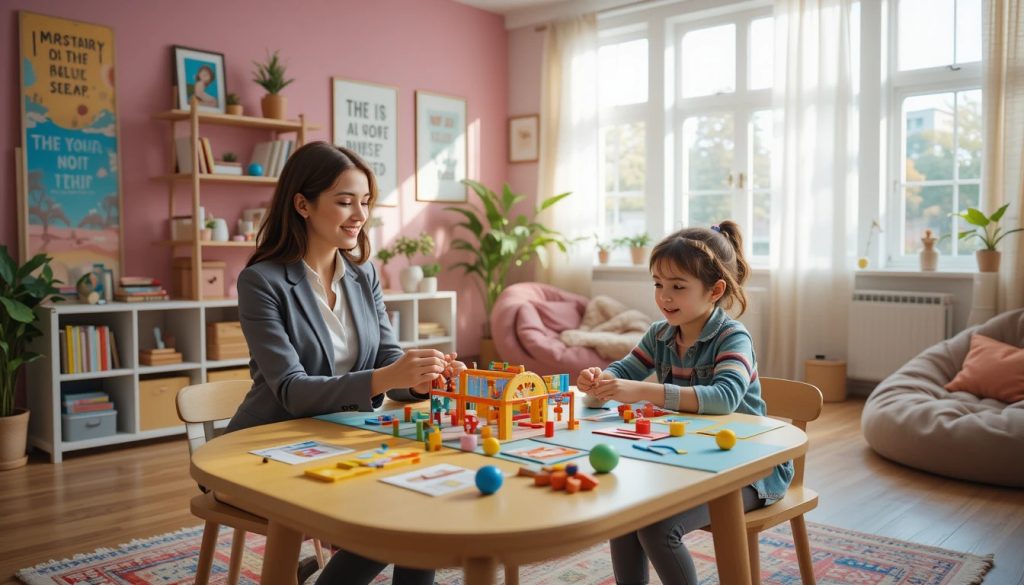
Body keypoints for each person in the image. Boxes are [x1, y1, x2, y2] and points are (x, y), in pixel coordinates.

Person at [227, 141, 461, 585]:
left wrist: (422, 379)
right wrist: (386, 375)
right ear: (303, 204)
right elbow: (293, 391)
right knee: (404, 511)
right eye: (345, 201)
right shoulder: (261, 282)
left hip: (340, 437)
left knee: (422, 499)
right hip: (267, 446)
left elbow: (387, 358)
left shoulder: (363, 273)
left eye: (365, 202)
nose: (359, 214)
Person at [576, 221, 793, 585]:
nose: (664, 297)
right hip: (691, 459)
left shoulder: (732, 337)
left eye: (678, 287)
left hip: (751, 470)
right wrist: (597, 382)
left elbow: (724, 398)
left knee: (659, 529)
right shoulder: (659, 334)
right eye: (658, 285)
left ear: (715, 291)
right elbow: (623, 371)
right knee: (624, 514)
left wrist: (642, 391)